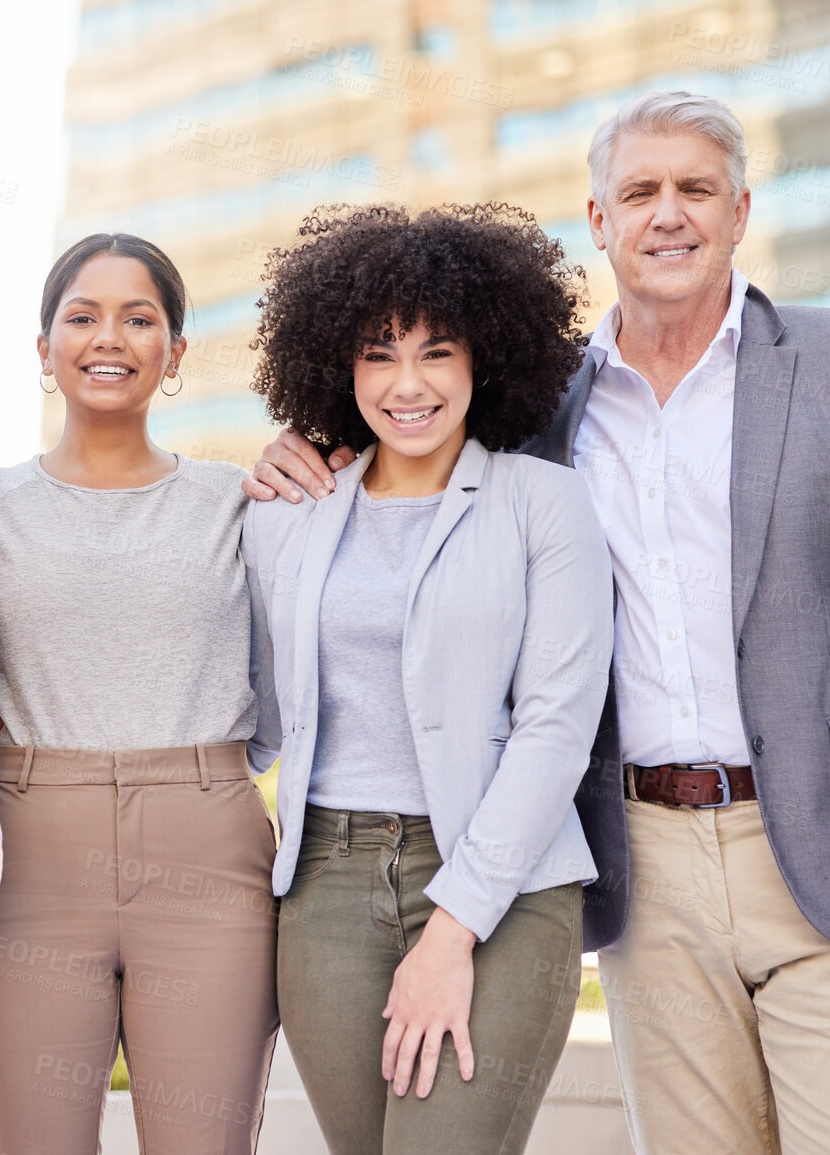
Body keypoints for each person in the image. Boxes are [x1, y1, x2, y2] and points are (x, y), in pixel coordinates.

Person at [247, 91, 830, 1154]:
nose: (669, 214)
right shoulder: (540, 412)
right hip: (643, 863)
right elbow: (412, 480)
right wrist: (303, 453)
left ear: (741, 209)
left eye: (696, 189)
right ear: (598, 221)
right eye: (639, 192)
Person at [242, 203, 611, 1154]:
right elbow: (252, 714)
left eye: (436, 352)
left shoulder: (544, 503)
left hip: (504, 880)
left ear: (484, 359)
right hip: (323, 883)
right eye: (377, 353)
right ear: (337, 367)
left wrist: (451, 932)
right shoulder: (294, 511)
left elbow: (555, 728)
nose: (407, 384)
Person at [0, 233, 279, 1154]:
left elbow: (283, 677)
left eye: (140, 319)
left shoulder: (240, 502)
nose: (110, 337)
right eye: (82, 316)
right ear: (43, 345)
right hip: (25, 850)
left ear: (174, 354)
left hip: (207, 844)